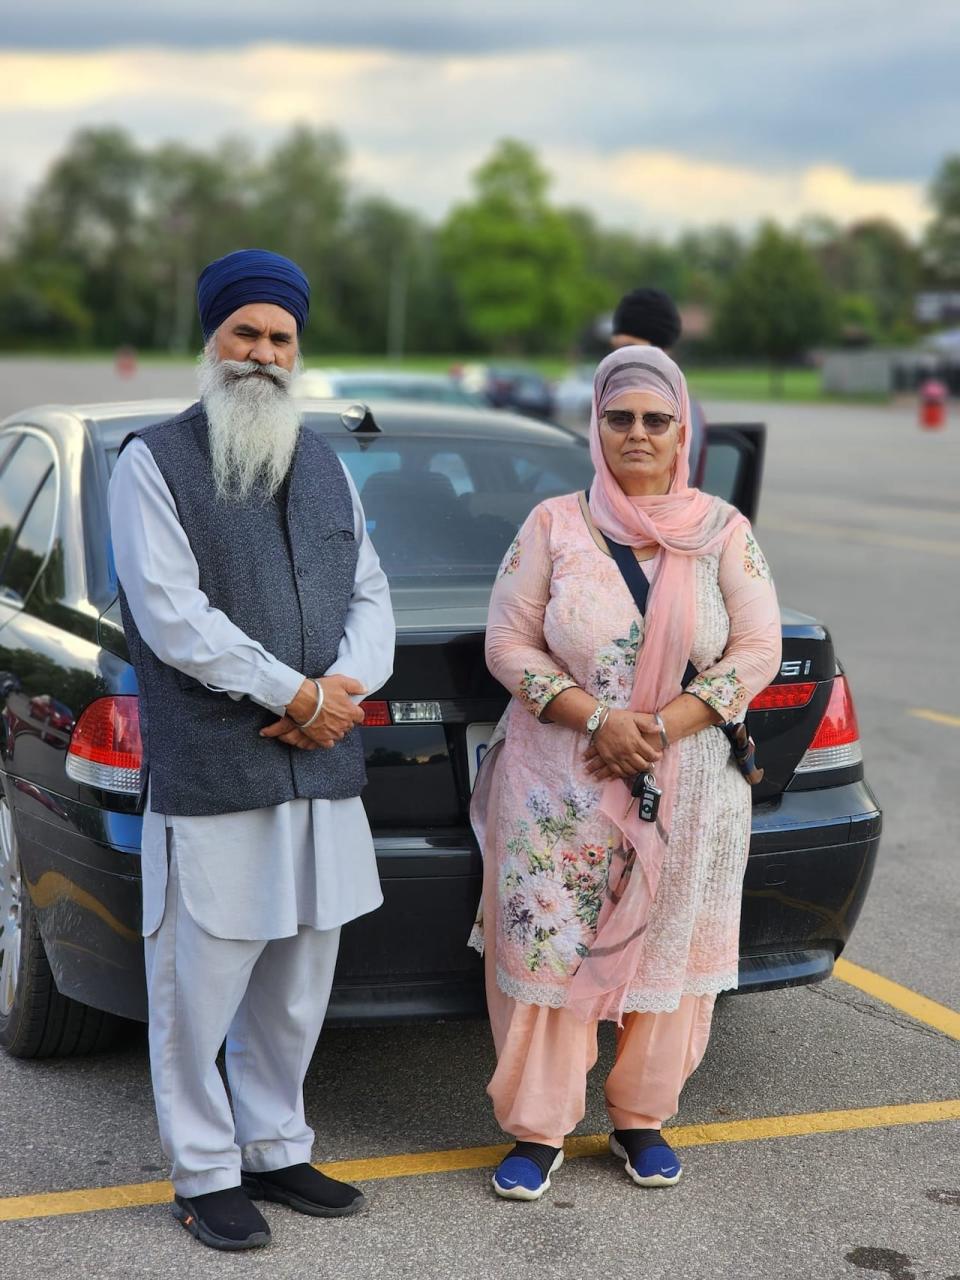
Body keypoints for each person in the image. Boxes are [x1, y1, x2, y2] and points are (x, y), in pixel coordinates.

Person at [108, 249, 395, 1251]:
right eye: (246, 333)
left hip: (321, 772)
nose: (263, 354)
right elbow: (172, 616)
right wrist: (297, 691)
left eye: (280, 338)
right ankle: (202, 1170)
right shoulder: (152, 461)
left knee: (298, 978)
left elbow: (371, 593)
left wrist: (345, 687)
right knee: (201, 984)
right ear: (212, 340)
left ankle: (276, 1143)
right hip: (216, 775)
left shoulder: (324, 464)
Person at [469, 345, 781, 1201]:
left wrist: (659, 729)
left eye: (655, 420)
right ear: (596, 425)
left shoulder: (723, 530)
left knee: (669, 953)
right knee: (548, 951)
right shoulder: (552, 525)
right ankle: (538, 1131)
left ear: (683, 431)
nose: (637, 435)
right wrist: (597, 719)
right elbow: (508, 642)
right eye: (620, 418)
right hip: (557, 782)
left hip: (686, 787)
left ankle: (641, 1120)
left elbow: (759, 649)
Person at [610, 287, 706, 484]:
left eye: (628, 348)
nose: (618, 359)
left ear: (660, 350)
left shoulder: (678, 410)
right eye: (616, 350)